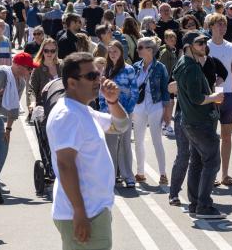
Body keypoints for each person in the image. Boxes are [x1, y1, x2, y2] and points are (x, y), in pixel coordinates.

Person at [46, 52, 130, 250]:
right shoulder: (68, 115)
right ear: (72, 83)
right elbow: (65, 164)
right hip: (86, 213)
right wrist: (79, 212)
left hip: (94, 209)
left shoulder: (83, 111)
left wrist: (112, 101)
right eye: (91, 76)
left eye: (99, 75)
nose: (99, 81)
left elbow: (121, 125)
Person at [173, 31, 226, 219]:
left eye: (204, 42)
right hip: (199, 122)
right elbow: (196, 98)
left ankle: (195, 203)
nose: (204, 45)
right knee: (212, 162)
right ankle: (203, 205)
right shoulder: (191, 68)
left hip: (191, 121)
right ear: (189, 46)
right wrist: (214, 97)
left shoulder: (185, 64)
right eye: (199, 43)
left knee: (196, 162)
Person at [0, 52, 38, 173]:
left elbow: (14, 108)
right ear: (19, 66)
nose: (31, 71)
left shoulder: (21, 82)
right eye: (29, 68)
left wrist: (8, 129)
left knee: (3, 146)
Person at [204, 14, 232, 187]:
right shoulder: (205, 46)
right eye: (218, 25)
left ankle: (225, 175)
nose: (222, 28)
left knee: (227, 137)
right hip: (211, 96)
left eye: (224, 25)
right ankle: (210, 175)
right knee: (210, 137)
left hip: (229, 95)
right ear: (211, 27)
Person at [131, 37, 170, 185]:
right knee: (138, 140)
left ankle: (163, 173)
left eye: (140, 47)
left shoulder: (160, 67)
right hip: (139, 106)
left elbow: (165, 91)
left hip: (156, 106)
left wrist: (167, 112)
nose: (138, 49)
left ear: (150, 50)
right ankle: (140, 173)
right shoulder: (135, 67)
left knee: (156, 140)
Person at [100, 40, 138, 187]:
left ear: (121, 52)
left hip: (124, 112)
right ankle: (112, 175)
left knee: (125, 145)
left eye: (115, 51)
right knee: (110, 145)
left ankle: (128, 176)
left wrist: (127, 111)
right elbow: (101, 92)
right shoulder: (106, 70)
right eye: (110, 51)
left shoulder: (129, 69)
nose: (113, 54)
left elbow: (134, 91)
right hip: (108, 113)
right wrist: (103, 109)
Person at [28, 38, 62, 116]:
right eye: (46, 50)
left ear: (56, 51)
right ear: (42, 51)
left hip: (61, 106)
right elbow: (32, 89)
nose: (49, 53)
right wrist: (33, 102)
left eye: (52, 51)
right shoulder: (37, 68)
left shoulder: (62, 65)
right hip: (44, 107)